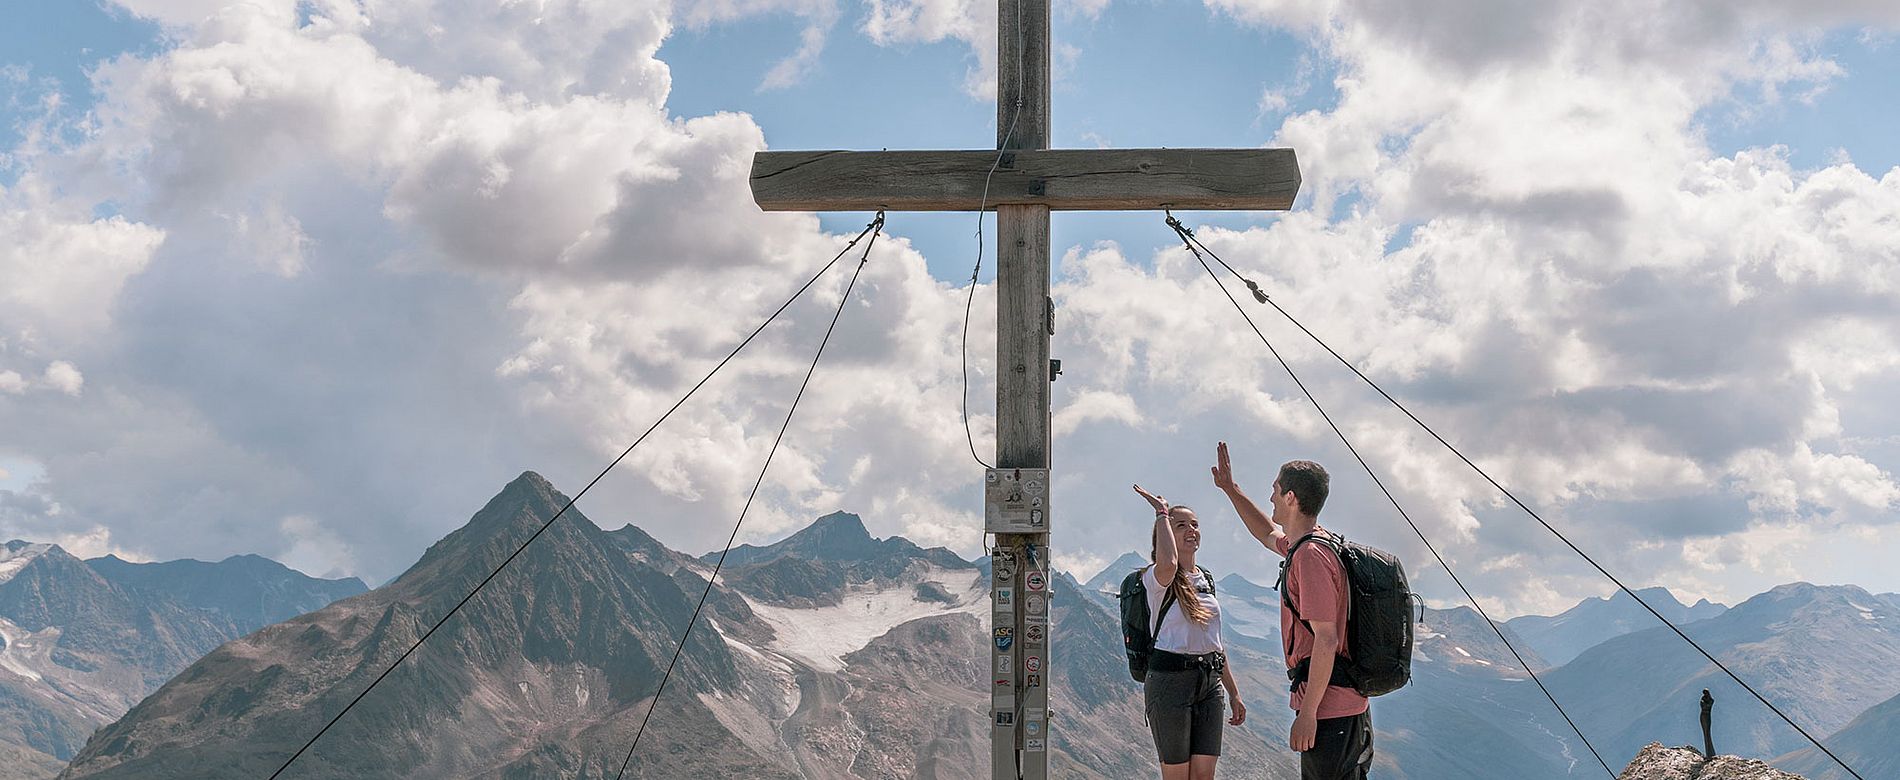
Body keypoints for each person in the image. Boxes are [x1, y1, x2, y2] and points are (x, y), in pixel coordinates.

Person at [1211, 442, 1373, 779]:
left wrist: (1309, 713)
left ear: (1291, 498)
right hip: (1339, 706)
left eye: (1275, 489)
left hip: (1330, 712)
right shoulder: (1309, 544)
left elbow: (1326, 639)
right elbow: (1266, 533)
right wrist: (1231, 489)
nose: (1270, 497)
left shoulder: (1310, 557)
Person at [1133, 484, 1246, 780]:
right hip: (1170, 682)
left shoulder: (1206, 579)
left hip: (1209, 684)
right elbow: (1169, 562)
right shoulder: (1157, 578)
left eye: (1195, 524)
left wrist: (1234, 692)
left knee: (1203, 776)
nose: (1191, 530)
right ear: (1166, 534)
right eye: (1181, 525)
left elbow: (1216, 644)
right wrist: (1161, 513)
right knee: (1177, 777)